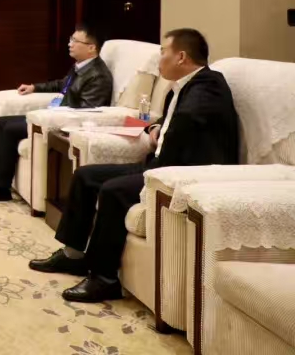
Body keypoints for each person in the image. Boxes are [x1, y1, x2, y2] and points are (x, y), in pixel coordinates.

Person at [29, 28, 240, 303]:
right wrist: (155, 127)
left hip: (180, 174)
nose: (159, 58)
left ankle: (104, 279)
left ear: (181, 57)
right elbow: (171, 120)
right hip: (160, 165)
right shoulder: (183, 87)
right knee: (85, 176)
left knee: (113, 191)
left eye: (163, 52)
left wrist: (163, 134)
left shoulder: (209, 85)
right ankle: (74, 255)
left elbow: (187, 121)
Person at [0, 24, 113, 202]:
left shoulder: (98, 75)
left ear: (91, 48)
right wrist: (34, 87)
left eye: (75, 41)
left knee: (9, 130)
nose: (70, 44)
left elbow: (87, 111)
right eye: (71, 39)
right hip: (53, 115)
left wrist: (56, 112)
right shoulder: (81, 67)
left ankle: (0, 188)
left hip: (62, 122)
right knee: (0, 123)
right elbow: (62, 84)